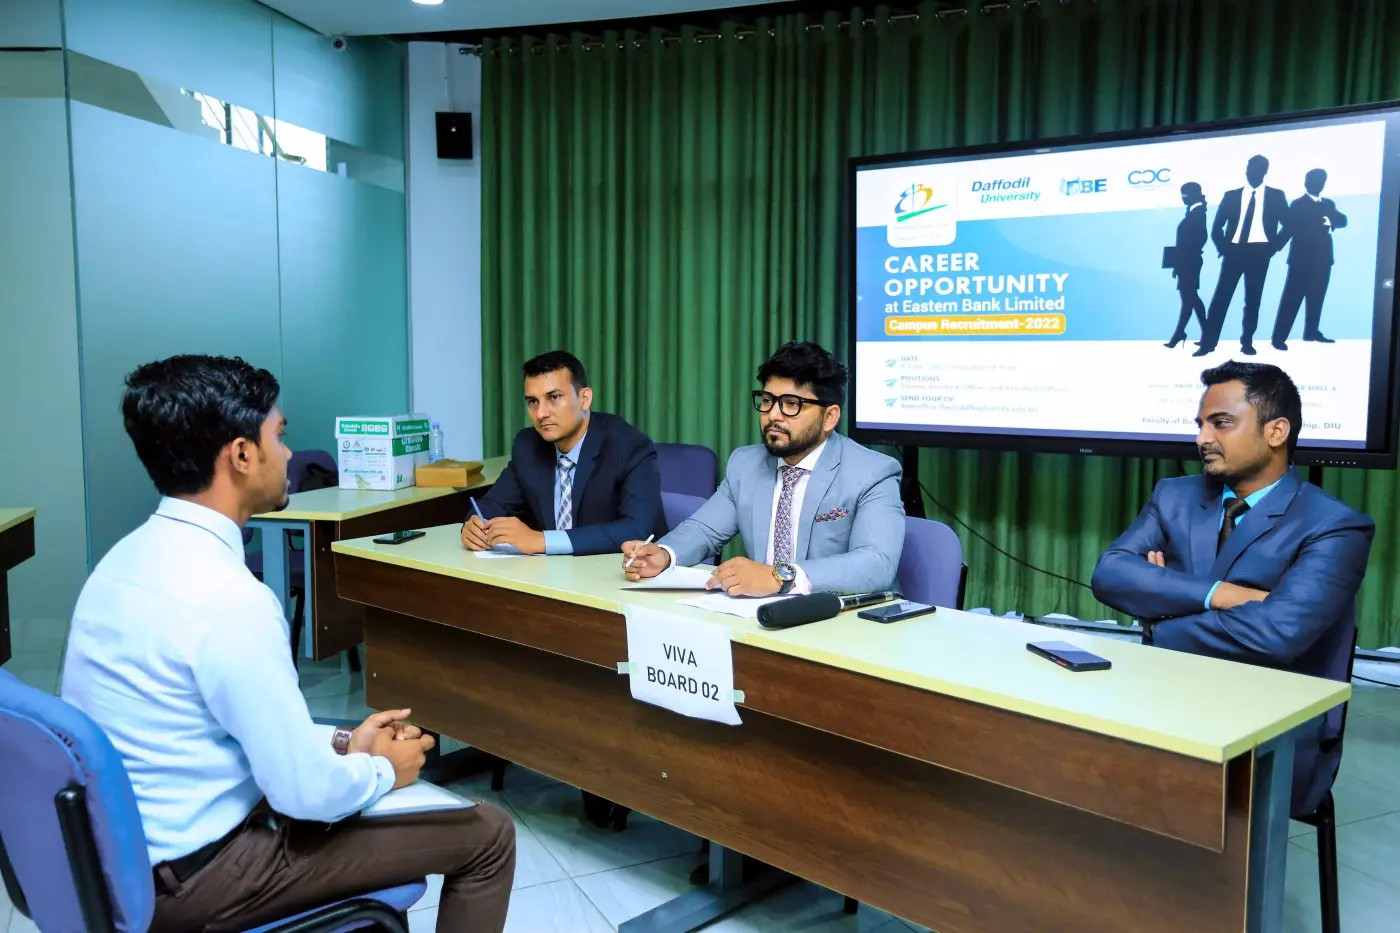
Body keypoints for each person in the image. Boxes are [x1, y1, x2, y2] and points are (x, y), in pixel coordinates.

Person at [62, 355, 515, 933]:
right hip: (200, 879)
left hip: (125, 863)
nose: (289, 454)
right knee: (489, 835)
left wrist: (346, 741)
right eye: (279, 435)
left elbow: (227, 726)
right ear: (241, 454)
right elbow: (303, 794)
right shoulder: (229, 599)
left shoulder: (121, 563)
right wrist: (384, 768)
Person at [1090, 361, 1373, 814]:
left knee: (1142, 789)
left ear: (1276, 431)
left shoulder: (1335, 526)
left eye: (1220, 423)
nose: (1202, 438)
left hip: (1273, 727)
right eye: (1200, 424)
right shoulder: (1173, 495)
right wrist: (1221, 594)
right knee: (1069, 757)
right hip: (1165, 698)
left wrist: (1160, 616)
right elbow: (1110, 574)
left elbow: (1280, 633)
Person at [623, 341, 904, 595]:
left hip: (845, 617)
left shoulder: (872, 472)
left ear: (829, 417)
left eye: (791, 404)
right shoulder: (746, 464)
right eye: (767, 401)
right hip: (762, 616)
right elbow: (704, 530)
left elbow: (877, 563)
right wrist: (665, 554)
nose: (773, 415)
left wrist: (779, 577)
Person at [461, 350, 664, 556]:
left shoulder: (628, 445)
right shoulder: (528, 446)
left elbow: (636, 529)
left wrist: (542, 541)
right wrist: (474, 526)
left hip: (623, 568)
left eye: (554, 397)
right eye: (533, 401)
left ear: (584, 398)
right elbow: (493, 504)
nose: (541, 413)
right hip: (552, 571)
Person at [1195, 155, 1289, 356]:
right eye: (1248, 168)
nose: (1250, 172)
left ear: (1264, 172)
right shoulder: (1231, 196)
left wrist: (1273, 248)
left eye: (1255, 169)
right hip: (1234, 252)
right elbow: (1217, 227)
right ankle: (1208, 343)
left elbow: (1289, 226)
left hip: (1260, 252)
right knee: (1220, 299)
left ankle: (1247, 342)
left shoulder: (1276, 195)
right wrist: (1224, 248)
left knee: (1253, 300)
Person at [1271, 168, 1348, 350]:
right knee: (1291, 300)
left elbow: (1343, 220)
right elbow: (1288, 230)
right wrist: (1271, 249)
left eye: (1321, 181)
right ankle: (1279, 338)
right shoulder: (1297, 205)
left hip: (1323, 261)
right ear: (1306, 183)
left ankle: (1311, 332)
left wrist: (1330, 222)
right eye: (1314, 180)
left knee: (1317, 298)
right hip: (1301, 262)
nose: (1318, 184)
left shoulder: (1328, 204)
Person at [1164, 182, 1209, 348]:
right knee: (1192, 299)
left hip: (1189, 263)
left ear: (1193, 195)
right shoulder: (1194, 212)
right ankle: (1207, 335)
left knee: (1189, 300)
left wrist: (1181, 261)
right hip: (1186, 262)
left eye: (1185, 195)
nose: (1182, 198)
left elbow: (1199, 239)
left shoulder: (1198, 213)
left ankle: (1179, 335)